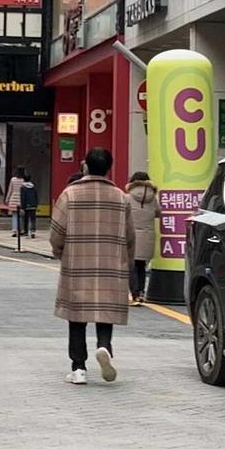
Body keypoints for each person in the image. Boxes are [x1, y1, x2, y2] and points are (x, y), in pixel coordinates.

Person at [47, 148, 139, 384]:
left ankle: (78, 368)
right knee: (104, 311)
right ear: (109, 168)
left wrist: (59, 252)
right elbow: (130, 236)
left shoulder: (70, 194)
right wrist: (128, 263)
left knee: (76, 317)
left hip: (78, 263)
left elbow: (57, 230)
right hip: (111, 265)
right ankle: (105, 347)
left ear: (86, 166)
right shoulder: (121, 198)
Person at [124, 168, 159, 303]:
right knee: (141, 266)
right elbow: (158, 213)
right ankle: (141, 291)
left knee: (131, 266)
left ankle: (135, 293)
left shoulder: (127, 198)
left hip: (131, 235)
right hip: (148, 235)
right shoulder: (153, 198)